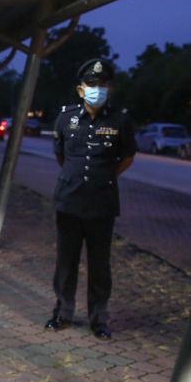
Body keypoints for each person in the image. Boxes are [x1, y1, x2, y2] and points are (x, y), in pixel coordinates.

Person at [46, 58, 135, 340]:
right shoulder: (65, 117)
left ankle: (99, 318)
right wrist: (76, 178)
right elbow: (61, 155)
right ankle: (62, 313)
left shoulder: (120, 119)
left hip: (102, 203)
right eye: (91, 84)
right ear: (81, 89)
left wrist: (104, 176)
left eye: (103, 84)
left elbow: (128, 156)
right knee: (65, 262)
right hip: (69, 201)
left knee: (100, 265)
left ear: (110, 87)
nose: (98, 88)